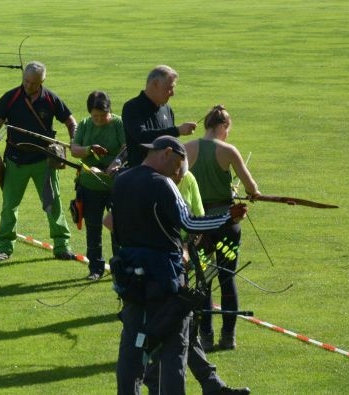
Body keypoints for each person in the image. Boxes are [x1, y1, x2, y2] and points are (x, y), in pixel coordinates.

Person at [111, 136, 247, 395]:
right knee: (175, 346)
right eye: (177, 168)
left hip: (129, 277)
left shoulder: (122, 180)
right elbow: (191, 223)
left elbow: (116, 229)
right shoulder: (163, 185)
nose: (177, 175)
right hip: (164, 280)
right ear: (167, 153)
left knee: (132, 347)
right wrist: (226, 217)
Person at [0, 61, 78, 261]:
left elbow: (70, 121)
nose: (28, 86)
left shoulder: (50, 98)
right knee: (9, 206)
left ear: (42, 81)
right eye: (25, 81)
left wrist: (74, 139)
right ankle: (4, 248)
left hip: (44, 161)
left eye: (33, 83)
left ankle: (62, 245)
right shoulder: (12, 96)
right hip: (15, 160)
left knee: (53, 204)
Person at [186, 104, 260, 353]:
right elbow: (252, 188)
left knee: (204, 279)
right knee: (227, 278)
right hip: (226, 225)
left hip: (199, 228)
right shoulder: (228, 151)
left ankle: (205, 335)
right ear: (223, 126)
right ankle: (228, 336)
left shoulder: (187, 149)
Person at [69, 90, 126, 280]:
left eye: (103, 115)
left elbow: (128, 148)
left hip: (115, 186)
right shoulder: (85, 125)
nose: (100, 119)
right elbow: (74, 150)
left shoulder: (118, 124)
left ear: (110, 111)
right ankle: (95, 268)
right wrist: (89, 149)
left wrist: (115, 164)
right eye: (96, 116)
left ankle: (120, 266)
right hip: (90, 185)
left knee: (117, 227)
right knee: (93, 228)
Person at [123, 65, 198, 167]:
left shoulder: (167, 109)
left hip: (166, 174)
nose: (172, 93)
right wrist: (177, 131)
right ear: (156, 84)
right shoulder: (132, 108)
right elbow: (142, 137)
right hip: (141, 175)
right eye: (170, 88)